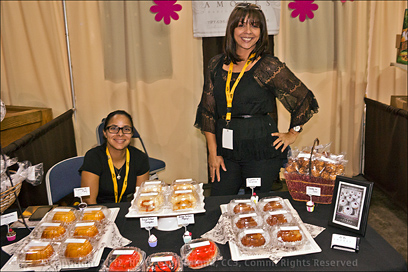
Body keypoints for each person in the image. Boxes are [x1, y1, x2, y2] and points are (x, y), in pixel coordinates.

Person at [194, 3, 319, 196]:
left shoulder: (267, 66)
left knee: (257, 204)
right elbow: (207, 111)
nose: (248, 31)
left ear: (261, 31)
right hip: (225, 151)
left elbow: (304, 98)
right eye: (241, 25)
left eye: (254, 25)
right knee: (220, 201)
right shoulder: (216, 64)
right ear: (231, 29)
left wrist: (292, 133)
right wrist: (213, 152)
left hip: (260, 149)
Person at [80, 110, 150, 204]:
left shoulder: (140, 158)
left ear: (132, 134)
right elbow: (89, 201)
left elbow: (141, 200)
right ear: (105, 133)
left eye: (126, 129)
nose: (120, 134)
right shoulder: (94, 157)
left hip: (127, 210)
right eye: (113, 128)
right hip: (99, 211)